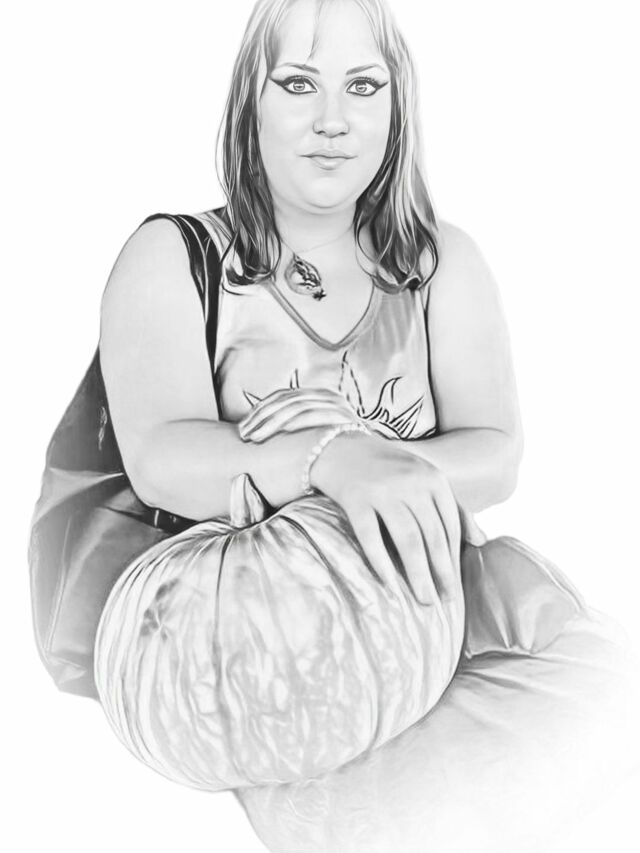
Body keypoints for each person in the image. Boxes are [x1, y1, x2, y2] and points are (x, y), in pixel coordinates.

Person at [99, 0, 523, 609]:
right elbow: (159, 461)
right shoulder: (173, 256)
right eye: (299, 84)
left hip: (422, 623)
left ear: (397, 108)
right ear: (251, 103)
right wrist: (330, 458)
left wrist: (362, 459)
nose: (333, 120)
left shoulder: (439, 264)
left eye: (363, 87)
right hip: (225, 627)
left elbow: (496, 457)